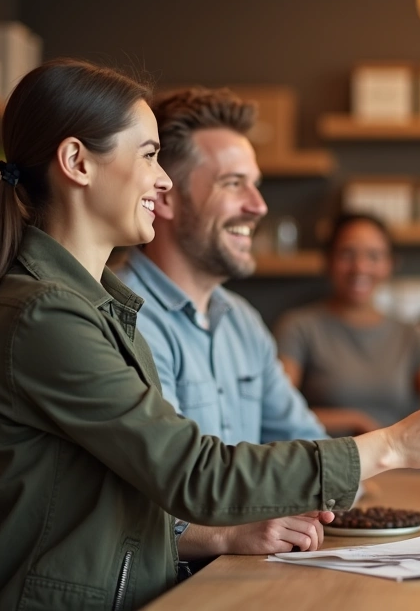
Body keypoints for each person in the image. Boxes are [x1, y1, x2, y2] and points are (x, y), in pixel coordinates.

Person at [0, 59, 420, 610]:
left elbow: (115, 505)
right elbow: (193, 473)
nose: (160, 181)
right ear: (77, 163)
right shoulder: (45, 316)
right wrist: (393, 444)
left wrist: (231, 534)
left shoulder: (102, 307)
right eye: (148, 156)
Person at [116, 87, 334, 560]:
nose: (258, 205)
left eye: (255, 183)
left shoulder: (242, 321)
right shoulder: (122, 314)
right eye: (233, 183)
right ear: (166, 197)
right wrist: (227, 534)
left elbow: (310, 447)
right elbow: (144, 505)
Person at [273, 213, 420, 433]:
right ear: (328, 261)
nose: (360, 268)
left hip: (398, 465)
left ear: (390, 265)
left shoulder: (409, 335)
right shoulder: (299, 327)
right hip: (326, 461)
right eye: (347, 254)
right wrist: (354, 421)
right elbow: (278, 410)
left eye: (374, 256)